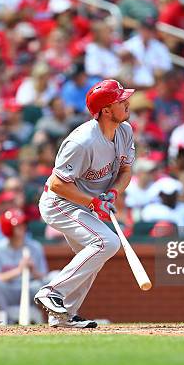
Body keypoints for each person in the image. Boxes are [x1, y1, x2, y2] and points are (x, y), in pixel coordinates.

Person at [34, 79, 135, 329]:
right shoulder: (81, 141)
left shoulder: (125, 131)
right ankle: (51, 291)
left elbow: (126, 171)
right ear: (106, 110)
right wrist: (92, 202)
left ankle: (63, 315)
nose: (127, 102)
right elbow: (57, 184)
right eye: (121, 100)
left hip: (87, 203)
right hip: (60, 202)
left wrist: (113, 192)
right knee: (107, 242)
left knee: (92, 256)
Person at [0, 209, 49, 325]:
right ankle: (4, 319)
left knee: (54, 278)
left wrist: (33, 271)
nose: (22, 228)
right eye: (18, 226)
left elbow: (44, 276)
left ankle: (58, 318)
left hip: (31, 288)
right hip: (8, 289)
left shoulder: (35, 247)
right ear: (7, 228)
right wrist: (18, 270)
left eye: (23, 225)